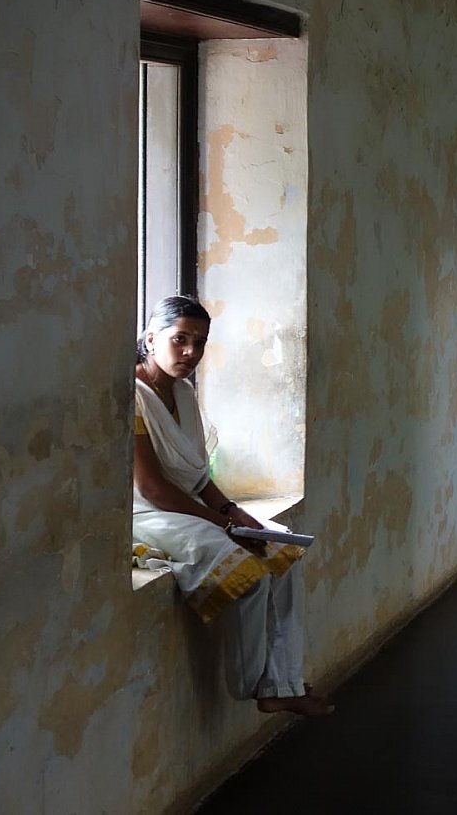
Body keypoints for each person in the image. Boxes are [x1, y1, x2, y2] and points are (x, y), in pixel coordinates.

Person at [132, 295, 333, 716]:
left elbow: (198, 476)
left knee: (282, 550)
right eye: (180, 339)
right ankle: (254, 684)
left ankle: (285, 683)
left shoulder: (183, 392)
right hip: (148, 514)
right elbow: (152, 487)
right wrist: (224, 527)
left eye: (200, 342)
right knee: (248, 575)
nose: (191, 352)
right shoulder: (131, 397)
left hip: (187, 506)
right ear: (151, 339)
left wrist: (233, 512)